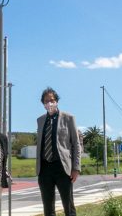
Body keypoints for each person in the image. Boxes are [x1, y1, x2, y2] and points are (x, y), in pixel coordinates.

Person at [36, 87, 81, 216]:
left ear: (57, 101)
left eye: (52, 100)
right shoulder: (40, 120)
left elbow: (76, 144)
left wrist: (76, 167)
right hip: (44, 169)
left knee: (68, 205)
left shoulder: (68, 118)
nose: (49, 103)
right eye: (46, 101)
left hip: (63, 168)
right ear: (43, 103)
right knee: (48, 208)